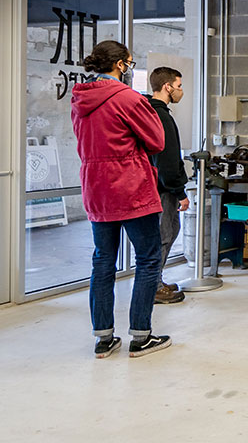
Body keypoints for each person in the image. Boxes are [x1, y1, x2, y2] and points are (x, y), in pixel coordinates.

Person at [72, 40, 172, 358]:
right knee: (147, 258)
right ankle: (141, 336)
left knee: (103, 260)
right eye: (129, 63)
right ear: (120, 65)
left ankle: (103, 338)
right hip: (130, 187)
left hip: (96, 188)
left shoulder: (79, 99)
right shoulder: (129, 99)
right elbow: (156, 141)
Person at [146, 66, 189, 305]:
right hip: (162, 188)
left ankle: (156, 280)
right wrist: (179, 191)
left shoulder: (152, 112)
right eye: (179, 86)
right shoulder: (160, 116)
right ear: (167, 87)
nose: (181, 91)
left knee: (171, 231)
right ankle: (153, 286)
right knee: (164, 235)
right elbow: (168, 159)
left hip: (158, 186)